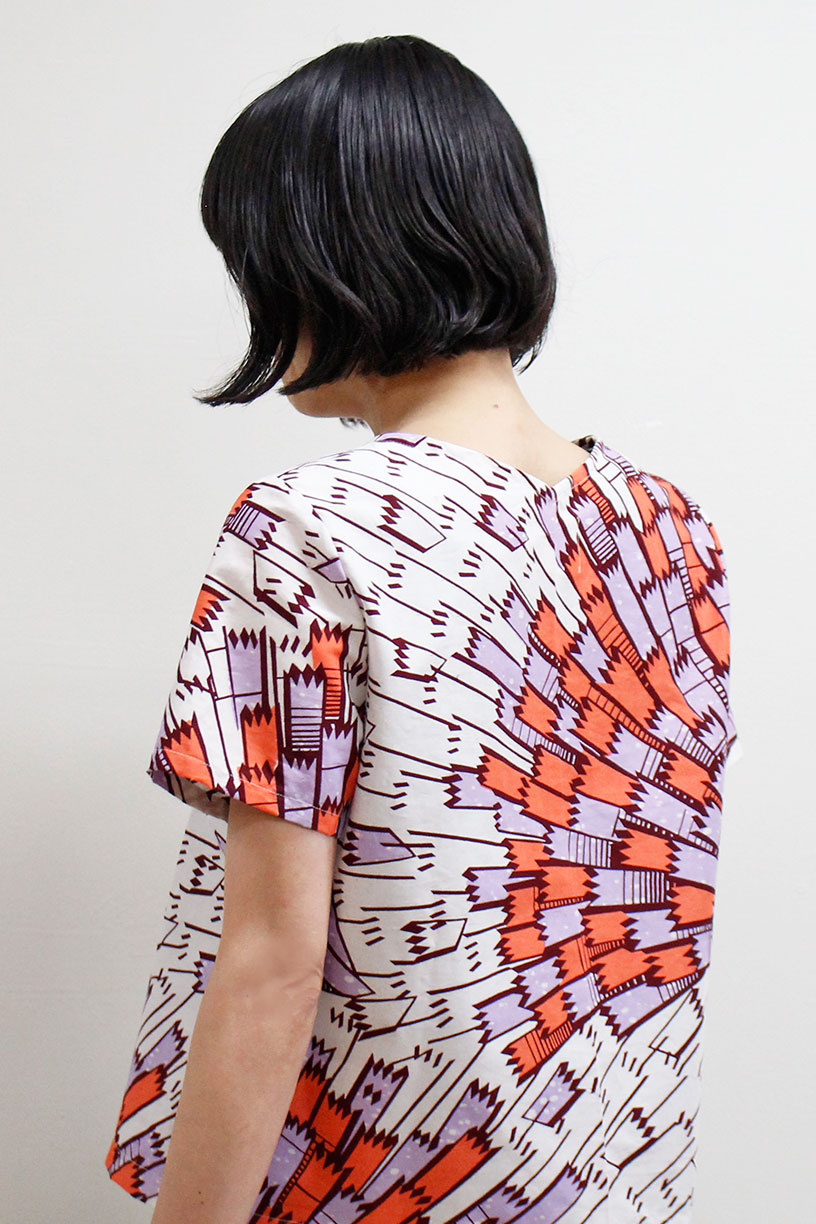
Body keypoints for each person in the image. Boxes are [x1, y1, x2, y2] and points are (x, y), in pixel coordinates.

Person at [104, 34, 739, 1224]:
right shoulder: (672, 533)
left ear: (327, 258)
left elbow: (274, 967)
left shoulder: (307, 532)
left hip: (383, 1190)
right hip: (604, 1189)